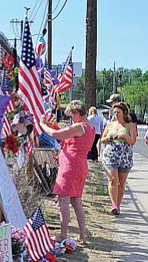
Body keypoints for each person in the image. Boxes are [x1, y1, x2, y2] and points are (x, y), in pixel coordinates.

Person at [40, 100, 94, 245]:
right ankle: (82, 235)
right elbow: (68, 137)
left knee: (64, 200)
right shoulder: (90, 126)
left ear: (77, 113)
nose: (71, 119)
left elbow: (56, 134)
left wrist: (43, 125)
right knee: (76, 201)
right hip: (80, 165)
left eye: (71, 116)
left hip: (70, 166)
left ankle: (63, 234)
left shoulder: (79, 126)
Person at [100, 102, 137, 215]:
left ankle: (118, 203)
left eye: (118, 112)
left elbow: (132, 141)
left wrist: (124, 136)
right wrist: (109, 138)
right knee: (113, 180)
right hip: (111, 155)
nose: (116, 114)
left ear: (124, 112)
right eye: (114, 112)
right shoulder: (110, 124)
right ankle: (113, 204)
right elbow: (102, 139)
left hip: (125, 156)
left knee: (121, 182)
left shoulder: (130, 125)